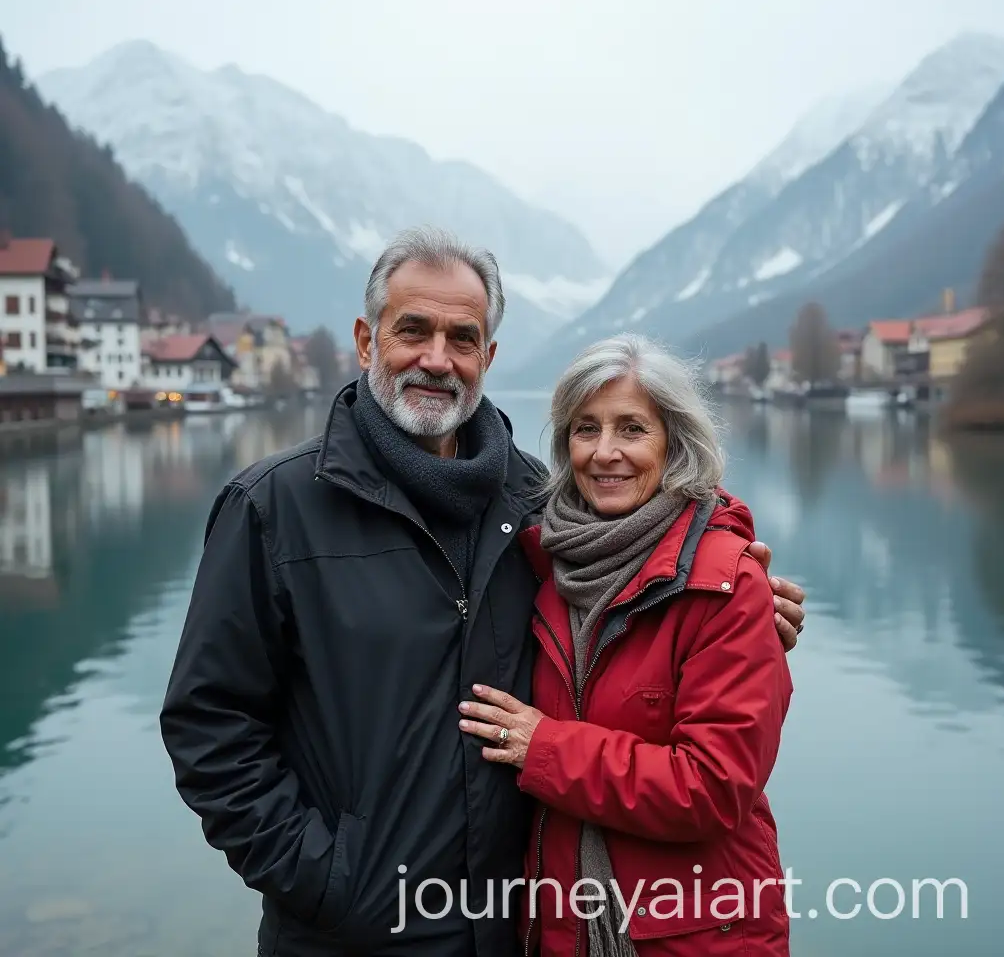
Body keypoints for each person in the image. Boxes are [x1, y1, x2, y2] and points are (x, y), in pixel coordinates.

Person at [159, 227, 805, 957]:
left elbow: (654, 553)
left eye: (462, 338)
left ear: (488, 358)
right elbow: (210, 728)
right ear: (367, 341)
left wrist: (740, 594)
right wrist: (327, 882)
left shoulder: (537, 503)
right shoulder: (273, 508)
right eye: (414, 331)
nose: (438, 359)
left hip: (514, 929)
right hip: (350, 936)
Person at [457, 333, 793, 956]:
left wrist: (545, 748)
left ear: (675, 445)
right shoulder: (547, 567)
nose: (605, 453)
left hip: (694, 937)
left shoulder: (727, 582)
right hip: (563, 925)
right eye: (586, 429)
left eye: (632, 429)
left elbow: (712, 788)